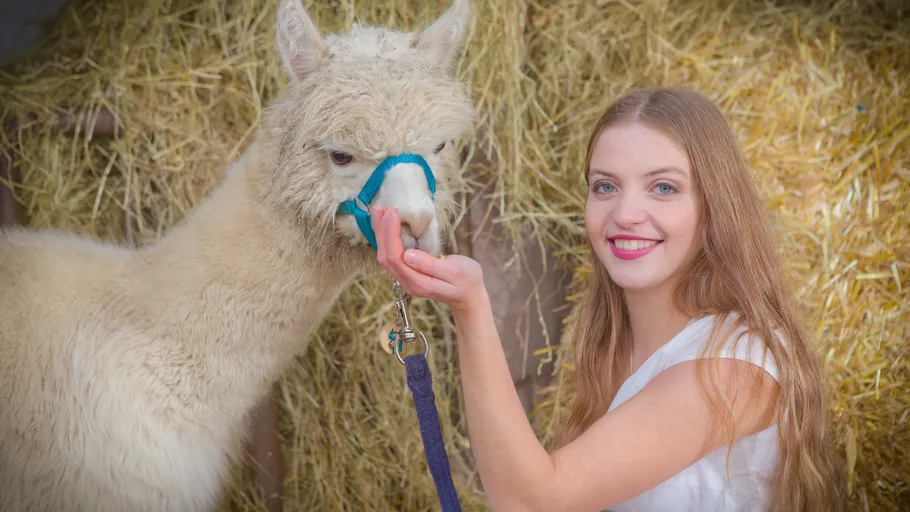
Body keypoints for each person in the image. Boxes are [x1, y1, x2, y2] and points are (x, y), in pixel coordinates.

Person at [371, 87, 844, 512]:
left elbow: (531, 503)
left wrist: (472, 309)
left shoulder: (732, 371)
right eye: (605, 186)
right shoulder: (620, 347)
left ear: (715, 208)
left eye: (664, 187)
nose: (625, 213)